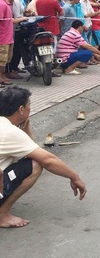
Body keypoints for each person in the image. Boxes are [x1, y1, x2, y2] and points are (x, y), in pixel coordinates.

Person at [0, 86, 86, 228]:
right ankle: (2, 214)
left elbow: (28, 150)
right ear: (21, 109)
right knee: (35, 165)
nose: (30, 109)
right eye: (29, 105)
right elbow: (46, 160)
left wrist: (26, 128)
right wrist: (74, 177)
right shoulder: (9, 132)